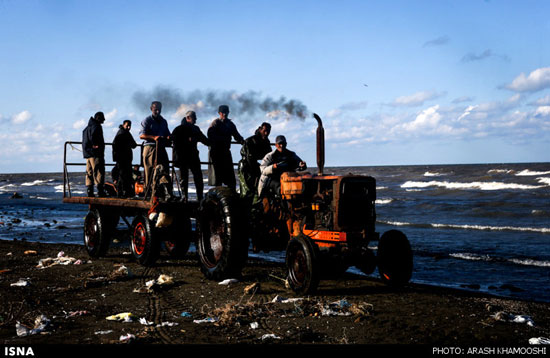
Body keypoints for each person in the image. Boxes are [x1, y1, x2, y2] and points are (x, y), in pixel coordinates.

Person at [172, 110, 209, 202]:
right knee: (189, 177)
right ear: (188, 118)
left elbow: (204, 140)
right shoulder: (180, 129)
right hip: (184, 157)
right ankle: (191, 197)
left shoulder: (194, 129)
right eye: (194, 117)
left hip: (190, 157)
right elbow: (174, 141)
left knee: (195, 177)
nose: (196, 119)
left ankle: (194, 197)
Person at [207, 105, 244, 190]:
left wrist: (243, 142)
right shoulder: (215, 123)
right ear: (219, 113)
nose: (225, 114)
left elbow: (236, 135)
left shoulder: (230, 124)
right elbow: (210, 135)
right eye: (223, 113)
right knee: (218, 175)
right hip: (216, 152)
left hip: (225, 152)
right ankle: (219, 194)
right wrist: (221, 139)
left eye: (226, 112)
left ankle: (231, 194)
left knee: (230, 176)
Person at [139, 101, 171, 196]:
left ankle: (163, 192)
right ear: (151, 109)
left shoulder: (163, 121)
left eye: (159, 109)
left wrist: (169, 137)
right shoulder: (147, 120)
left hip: (161, 147)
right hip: (150, 147)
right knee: (149, 170)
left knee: (165, 169)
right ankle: (149, 192)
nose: (157, 111)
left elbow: (167, 133)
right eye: (155, 109)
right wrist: (154, 137)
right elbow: (142, 135)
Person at [238, 122, 272, 199]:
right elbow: (249, 158)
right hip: (246, 166)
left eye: (268, 132)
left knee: (258, 188)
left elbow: (270, 156)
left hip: (255, 165)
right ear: (260, 129)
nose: (266, 133)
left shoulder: (266, 141)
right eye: (265, 131)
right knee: (247, 190)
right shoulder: (250, 141)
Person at [82, 112, 106, 197]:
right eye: (103, 118)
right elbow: (94, 136)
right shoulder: (97, 126)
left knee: (89, 172)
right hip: (95, 153)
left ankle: (90, 191)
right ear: (99, 118)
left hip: (87, 153)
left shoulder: (86, 128)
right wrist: (96, 145)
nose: (104, 119)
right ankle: (100, 191)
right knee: (99, 171)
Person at [112, 120, 137, 197]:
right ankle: (124, 192)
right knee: (124, 175)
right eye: (127, 126)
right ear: (123, 125)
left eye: (129, 126)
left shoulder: (121, 132)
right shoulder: (124, 133)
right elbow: (134, 145)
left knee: (123, 175)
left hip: (122, 158)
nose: (129, 127)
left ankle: (122, 192)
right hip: (124, 158)